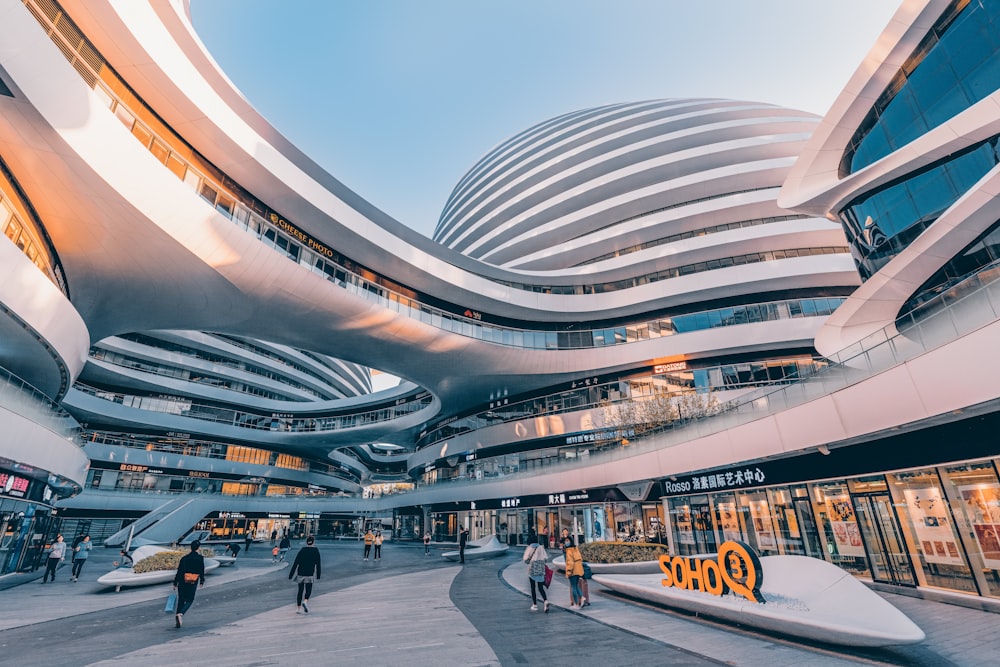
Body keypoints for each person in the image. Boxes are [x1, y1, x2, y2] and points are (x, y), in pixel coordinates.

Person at [172, 540, 205, 628]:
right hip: (192, 581)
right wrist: (202, 580)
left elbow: (179, 571)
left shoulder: (184, 558)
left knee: (181, 599)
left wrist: (175, 582)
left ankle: (178, 619)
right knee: (190, 599)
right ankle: (181, 614)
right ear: (198, 548)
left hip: (182, 580)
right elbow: (201, 570)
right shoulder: (200, 558)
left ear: (191, 547)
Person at [288, 535, 321, 614]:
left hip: (301, 573)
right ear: (313, 542)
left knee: (300, 590)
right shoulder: (315, 551)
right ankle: (305, 601)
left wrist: (291, 575)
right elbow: (318, 564)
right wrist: (318, 575)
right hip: (309, 573)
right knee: (308, 589)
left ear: (306, 542)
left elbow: (296, 563)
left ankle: (298, 608)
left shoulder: (302, 550)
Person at [523, 541, 550, 612]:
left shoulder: (529, 548)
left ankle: (535, 605)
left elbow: (525, 560)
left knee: (533, 587)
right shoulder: (541, 547)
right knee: (540, 587)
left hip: (532, 569)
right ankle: (545, 600)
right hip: (540, 569)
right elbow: (546, 559)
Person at [563, 537, 585, 608]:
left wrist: (568, 571)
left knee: (573, 587)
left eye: (567, 541)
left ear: (570, 541)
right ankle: (582, 597)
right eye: (565, 541)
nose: (566, 542)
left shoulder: (569, 551)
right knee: (576, 585)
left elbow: (570, 563)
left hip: (573, 570)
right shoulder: (576, 549)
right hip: (578, 569)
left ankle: (576, 604)